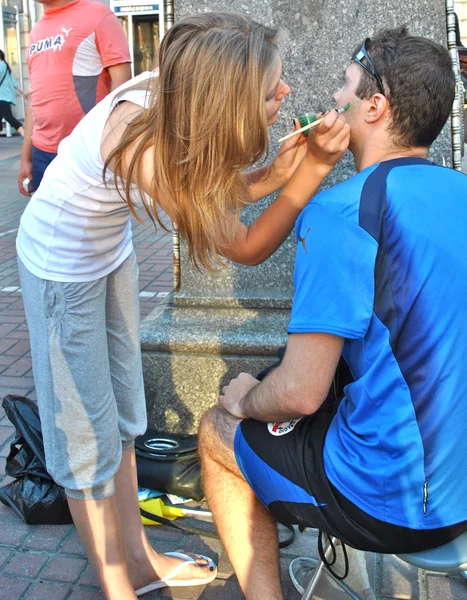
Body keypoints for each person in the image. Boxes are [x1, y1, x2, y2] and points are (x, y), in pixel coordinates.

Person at [16, 11, 350, 600]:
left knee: (120, 417)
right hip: (59, 270)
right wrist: (315, 168)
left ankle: (139, 558)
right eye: (272, 86)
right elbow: (242, 243)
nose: (285, 92)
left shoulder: (181, 104)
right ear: (225, 98)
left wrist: (273, 173)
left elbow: (209, 183)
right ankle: (116, 583)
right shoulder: (138, 140)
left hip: (107, 257)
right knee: (85, 437)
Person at [198, 25, 467, 600]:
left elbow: (299, 394)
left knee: (217, 432)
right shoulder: (458, 190)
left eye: (344, 87)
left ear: (374, 106)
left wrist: (245, 400)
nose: (331, 103)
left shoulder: (342, 213)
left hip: (390, 503)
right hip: (460, 483)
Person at [18, 0, 131, 195]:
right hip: (42, 152)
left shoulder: (98, 14)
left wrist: (111, 143)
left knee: (92, 224)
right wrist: (25, 157)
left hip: (87, 150)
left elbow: (122, 85)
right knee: (44, 224)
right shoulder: (36, 29)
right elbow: (34, 99)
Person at [0, 50, 28, 137]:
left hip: (2, 97)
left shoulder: (1, 66)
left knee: (8, 117)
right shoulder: (6, 66)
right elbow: (14, 82)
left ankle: (23, 133)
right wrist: (23, 92)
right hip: (6, 97)